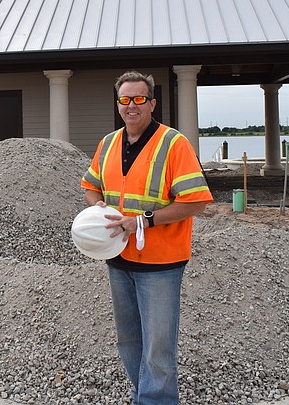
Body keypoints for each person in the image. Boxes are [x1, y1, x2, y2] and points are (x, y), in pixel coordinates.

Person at [80, 70, 213, 405]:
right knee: (128, 340)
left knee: (158, 346)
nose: (131, 106)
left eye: (139, 99)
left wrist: (144, 221)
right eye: (125, 100)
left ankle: (157, 401)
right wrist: (100, 214)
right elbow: (90, 186)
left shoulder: (173, 144)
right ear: (118, 104)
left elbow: (195, 201)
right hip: (119, 258)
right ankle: (141, 393)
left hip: (161, 262)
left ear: (152, 103)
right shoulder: (108, 143)